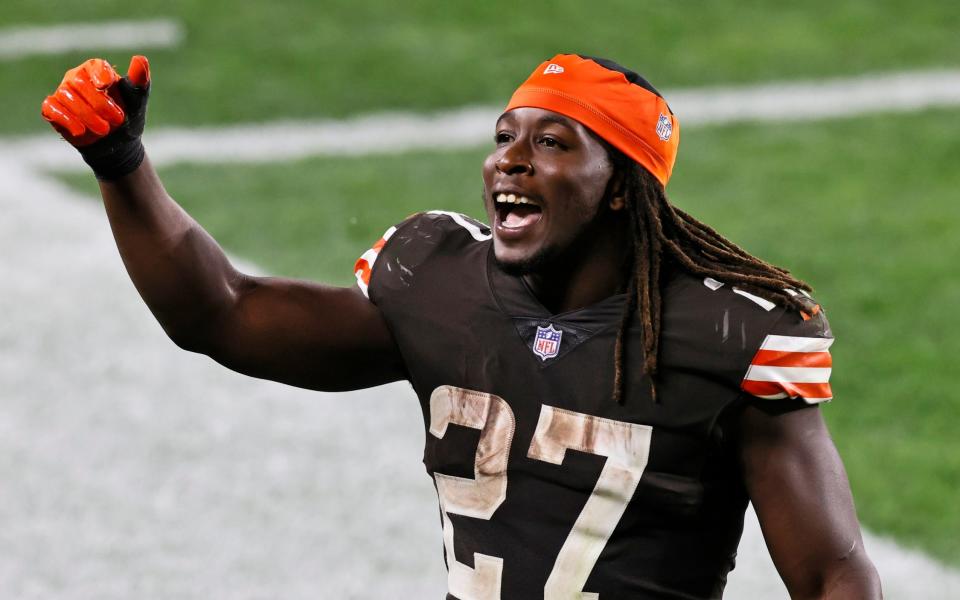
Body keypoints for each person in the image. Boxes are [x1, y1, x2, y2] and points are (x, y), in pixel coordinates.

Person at [42, 53, 881, 599]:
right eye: (504, 137)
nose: (510, 159)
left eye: (553, 142)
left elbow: (832, 572)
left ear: (622, 185)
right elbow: (222, 313)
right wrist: (123, 167)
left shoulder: (722, 331)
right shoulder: (439, 286)